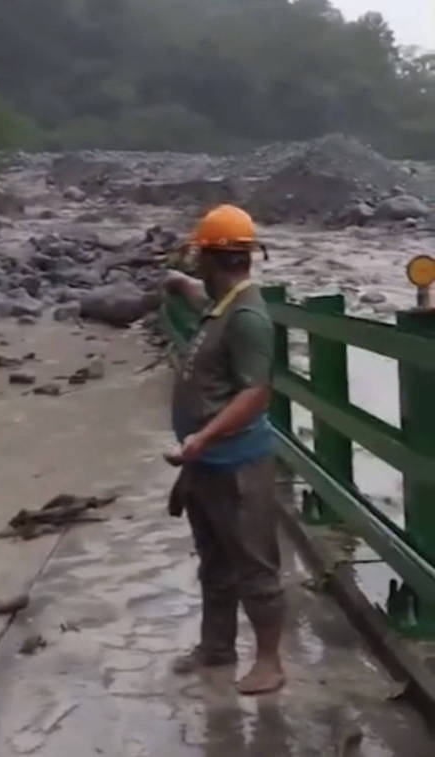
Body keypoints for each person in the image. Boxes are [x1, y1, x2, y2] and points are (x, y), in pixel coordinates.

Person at [164, 204, 285, 695]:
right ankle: (216, 647)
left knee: (255, 565)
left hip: (236, 465)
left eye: (198, 260)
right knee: (213, 560)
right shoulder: (222, 304)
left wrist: (203, 436)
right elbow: (198, 298)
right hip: (206, 465)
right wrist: (177, 282)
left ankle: (271, 662)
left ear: (212, 259)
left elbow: (255, 393)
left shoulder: (248, 318)